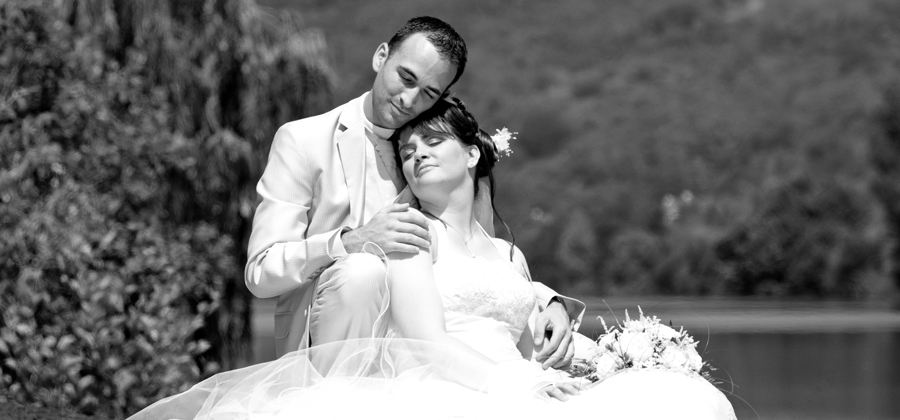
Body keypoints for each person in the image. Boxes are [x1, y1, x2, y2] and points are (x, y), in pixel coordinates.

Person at [129, 98, 736, 420]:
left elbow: (527, 333)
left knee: (671, 399)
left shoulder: (509, 252)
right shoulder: (411, 236)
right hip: (454, 389)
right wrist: (520, 385)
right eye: (408, 150)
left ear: (474, 155)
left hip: (523, 381)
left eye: (433, 143)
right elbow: (428, 342)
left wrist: (614, 356)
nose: (416, 155)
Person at [244, 16, 582, 368]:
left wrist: (550, 302)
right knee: (363, 270)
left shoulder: (435, 157)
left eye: (429, 93)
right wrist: (351, 240)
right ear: (380, 57)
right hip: (332, 344)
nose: (409, 99)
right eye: (406, 78)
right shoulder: (303, 140)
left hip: (421, 355)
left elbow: (480, 263)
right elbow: (260, 272)